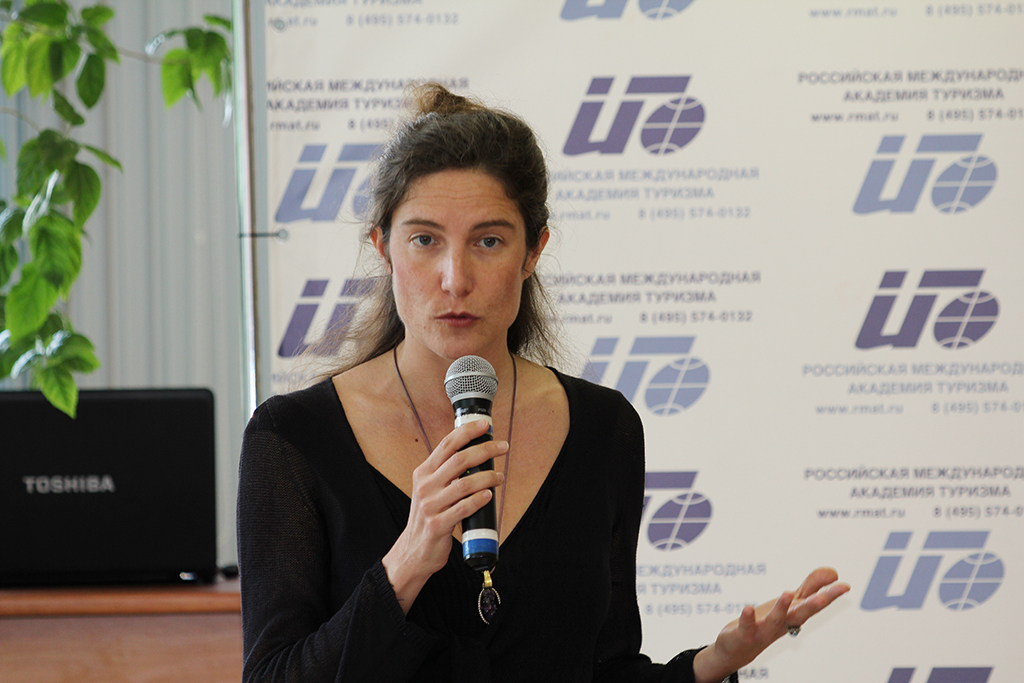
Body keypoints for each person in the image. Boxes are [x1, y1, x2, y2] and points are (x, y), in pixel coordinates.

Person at [237, 83, 849, 683]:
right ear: (383, 248)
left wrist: (712, 663)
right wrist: (406, 561)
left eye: (489, 241)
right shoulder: (293, 437)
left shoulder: (603, 427)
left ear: (533, 252)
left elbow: (606, 667)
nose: (455, 278)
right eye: (425, 240)